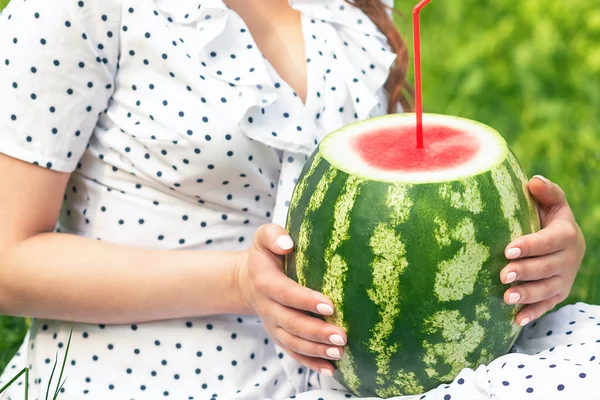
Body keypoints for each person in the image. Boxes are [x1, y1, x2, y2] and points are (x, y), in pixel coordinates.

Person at [0, 0, 597, 399]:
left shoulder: (352, 5)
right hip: (161, 372)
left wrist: (522, 255)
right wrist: (240, 281)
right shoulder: (73, 9)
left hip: (357, 379)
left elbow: (383, 223)